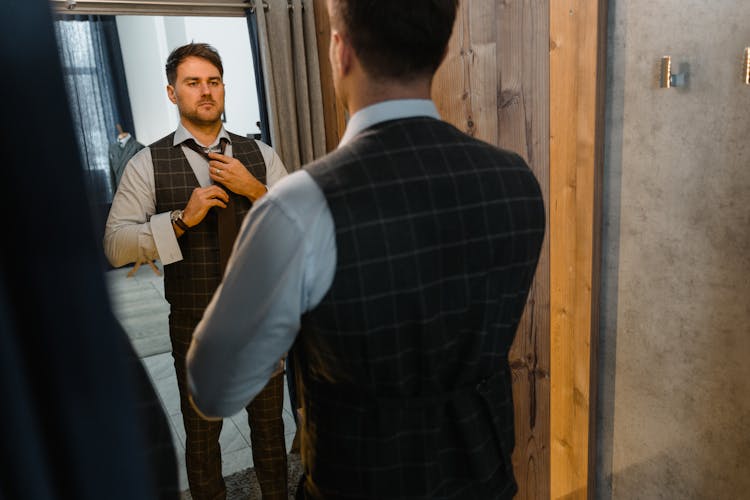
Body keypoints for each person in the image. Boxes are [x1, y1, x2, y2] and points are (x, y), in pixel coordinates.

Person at [187, 1, 545, 498]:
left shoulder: (298, 207)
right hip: (484, 479)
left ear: (341, 50)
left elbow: (214, 387)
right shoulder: (517, 181)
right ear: (441, 49)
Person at [104, 43, 289, 500]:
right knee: (203, 442)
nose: (206, 91)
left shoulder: (260, 155)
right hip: (193, 327)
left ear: (223, 88)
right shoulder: (147, 164)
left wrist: (257, 190)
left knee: (270, 434)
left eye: (213, 81)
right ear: (172, 93)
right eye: (193, 82)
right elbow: (115, 246)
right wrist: (179, 221)